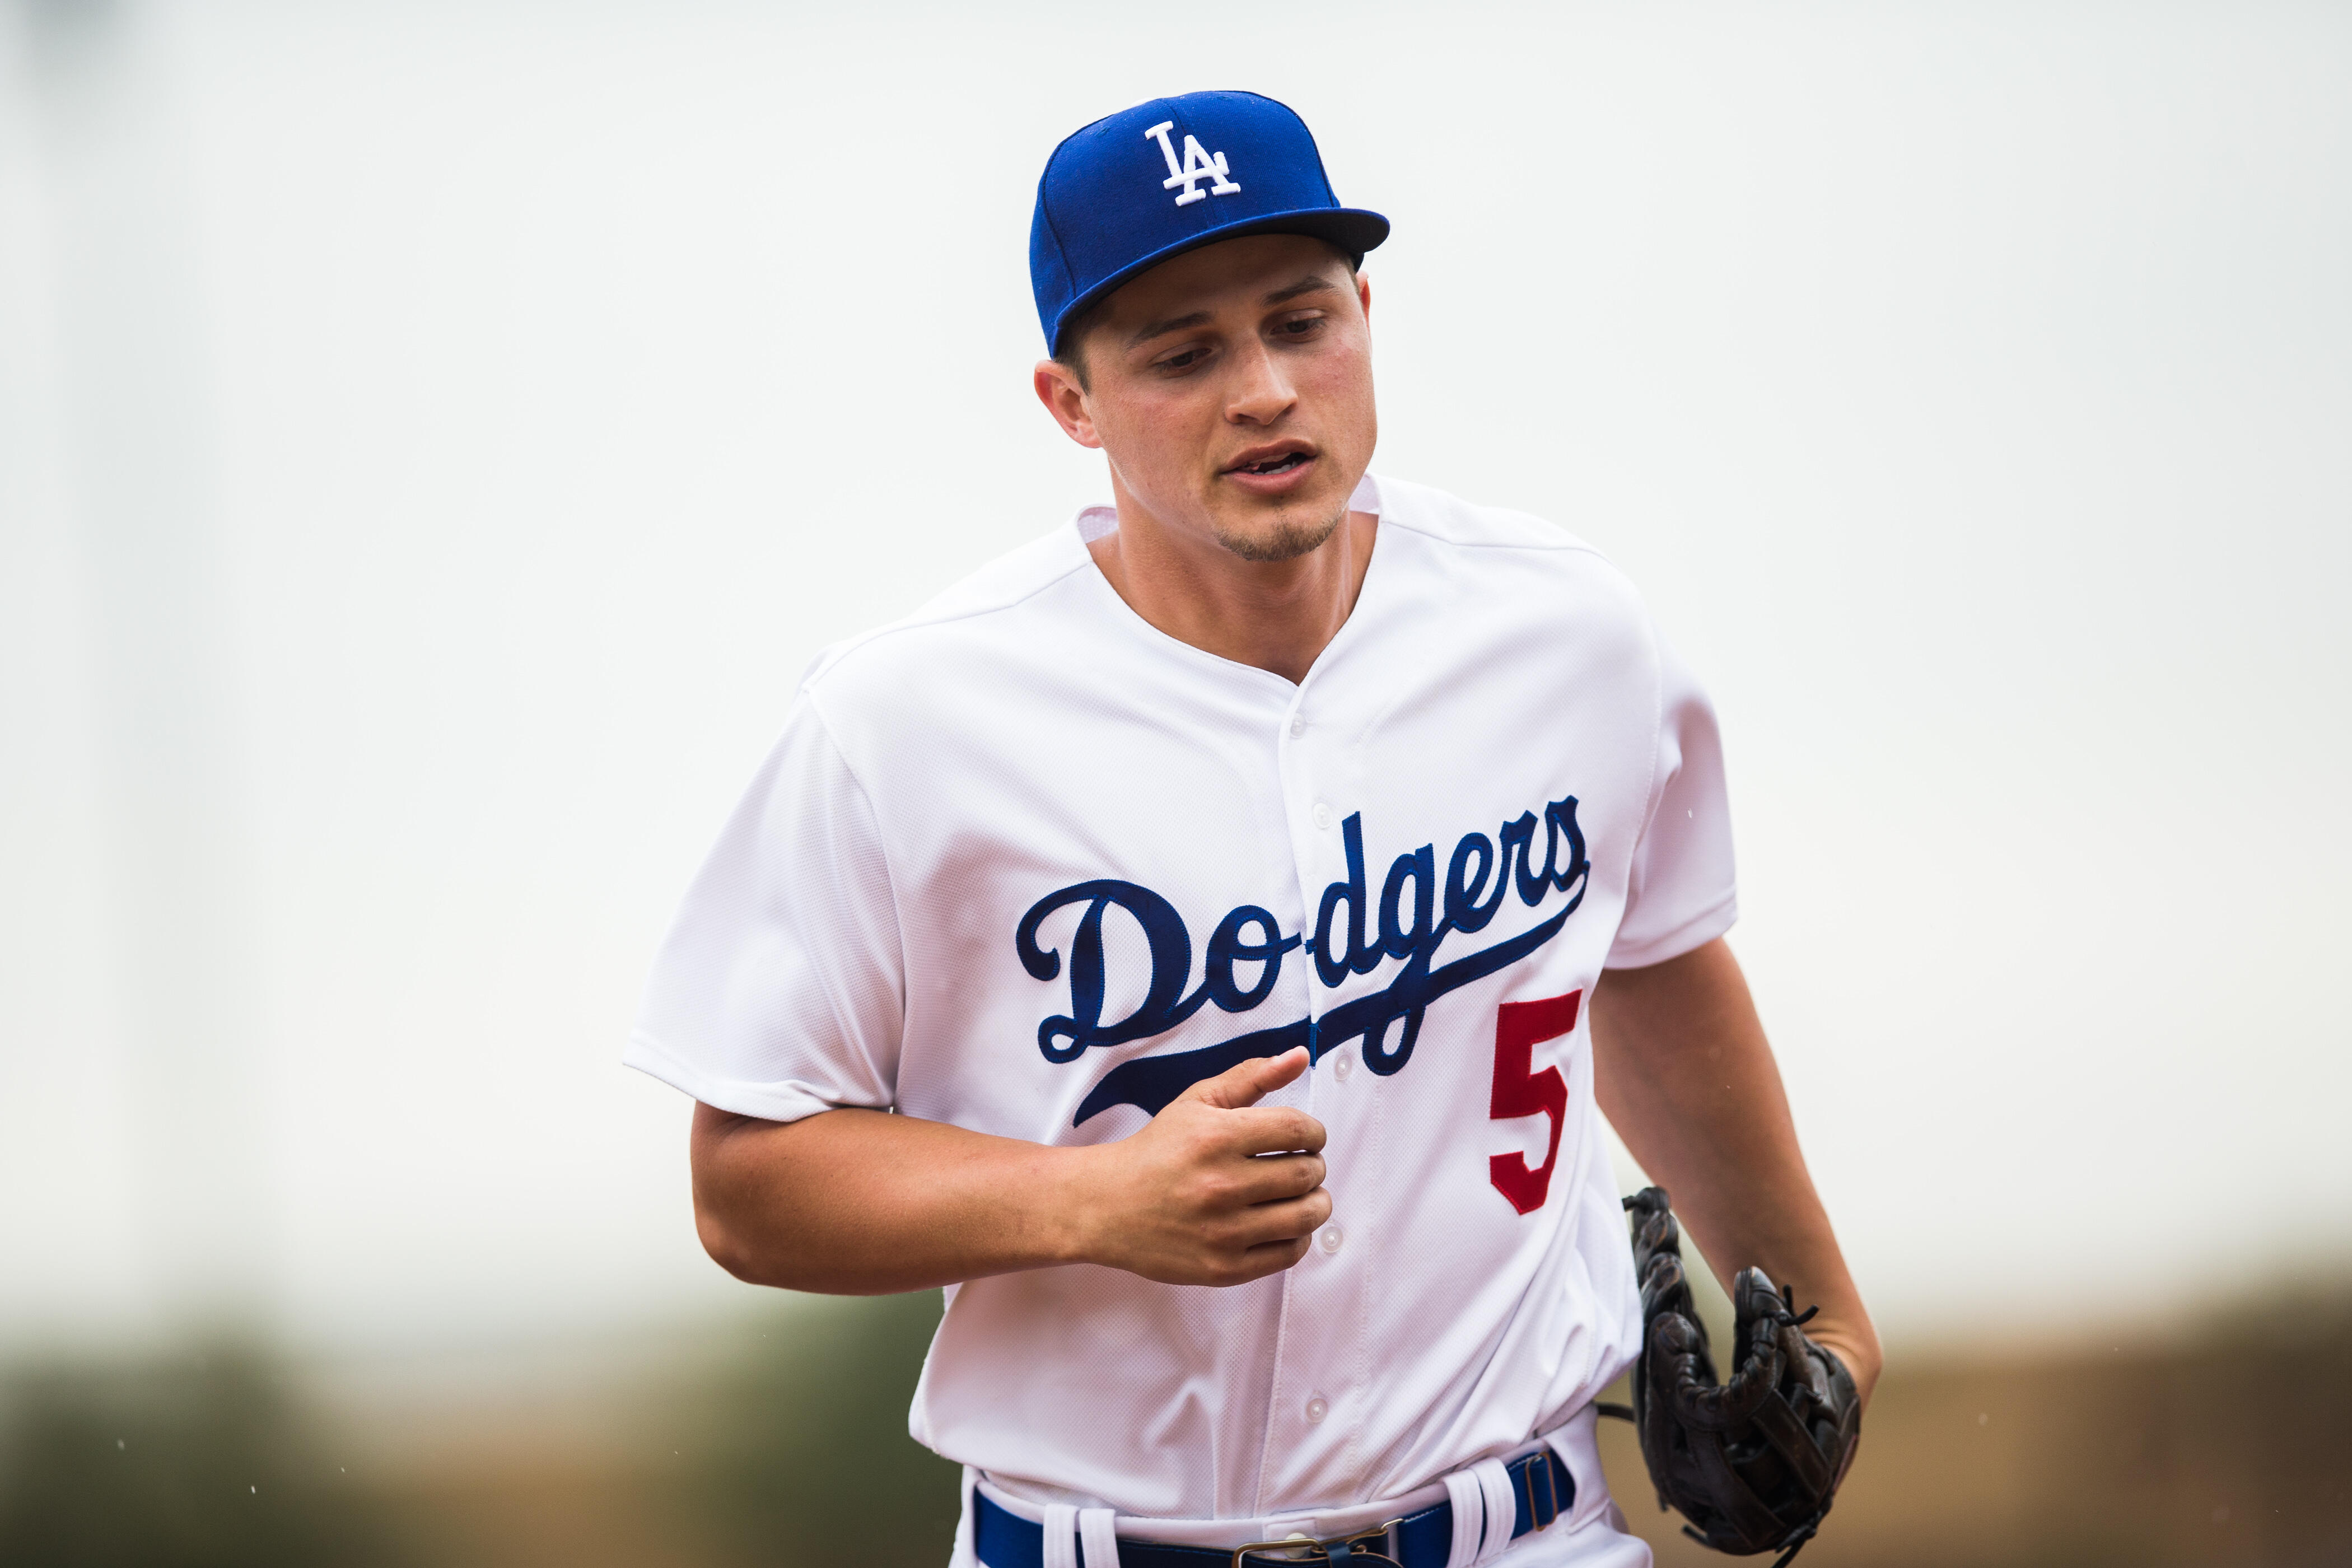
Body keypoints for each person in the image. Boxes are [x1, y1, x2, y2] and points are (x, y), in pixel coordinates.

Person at [627, 89, 1880, 1568]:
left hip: (1531, 1531)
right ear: (1070, 404)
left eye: (1302, 321)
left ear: (1366, 310)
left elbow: (1646, 962)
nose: (1267, 389)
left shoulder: (1567, 638)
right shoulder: (906, 722)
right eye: (1183, 353)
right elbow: (748, 1184)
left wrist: (1832, 1323)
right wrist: (1091, 1202)